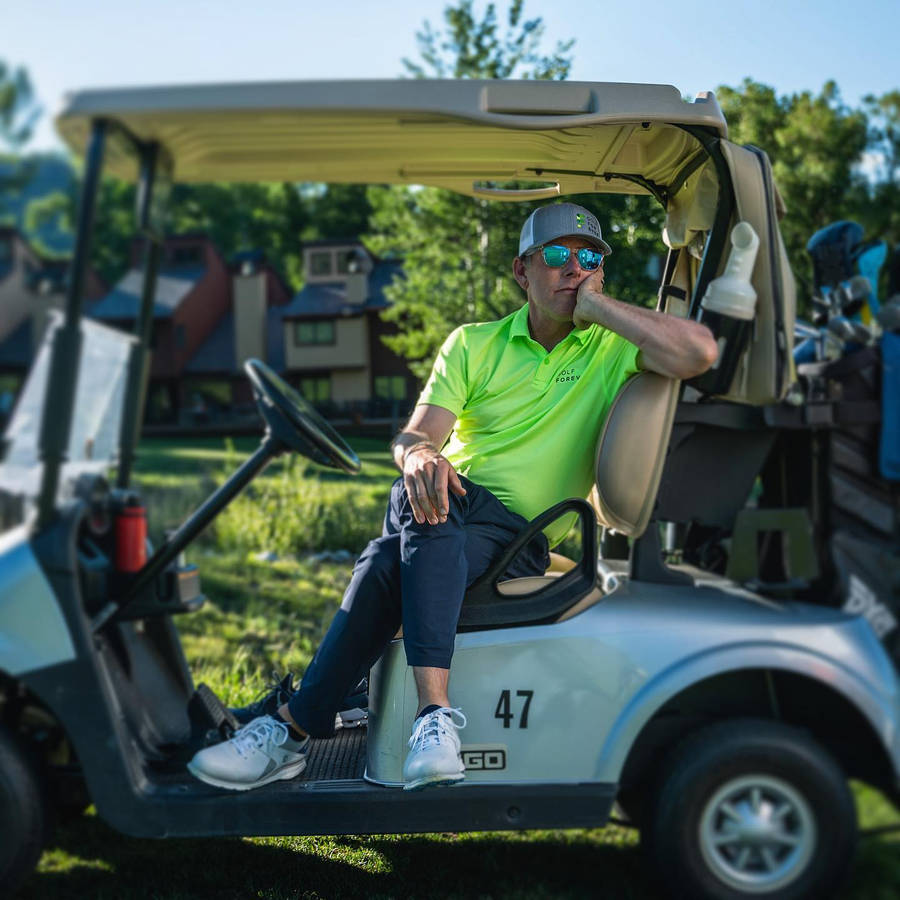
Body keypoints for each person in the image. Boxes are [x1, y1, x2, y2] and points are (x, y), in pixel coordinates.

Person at [187, 202, 718, 792]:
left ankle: (295, 730)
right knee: (420, 504)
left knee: (389, 557)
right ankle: (433, 722)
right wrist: (417, 455)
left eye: (589, 258)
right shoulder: (473, 343)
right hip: (451, 501)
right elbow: (419, 433)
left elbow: (699, 352)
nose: (575, 268)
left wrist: (594, 306)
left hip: (521, 533)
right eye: (559, 257)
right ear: (523, 270)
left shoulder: (612, 348)